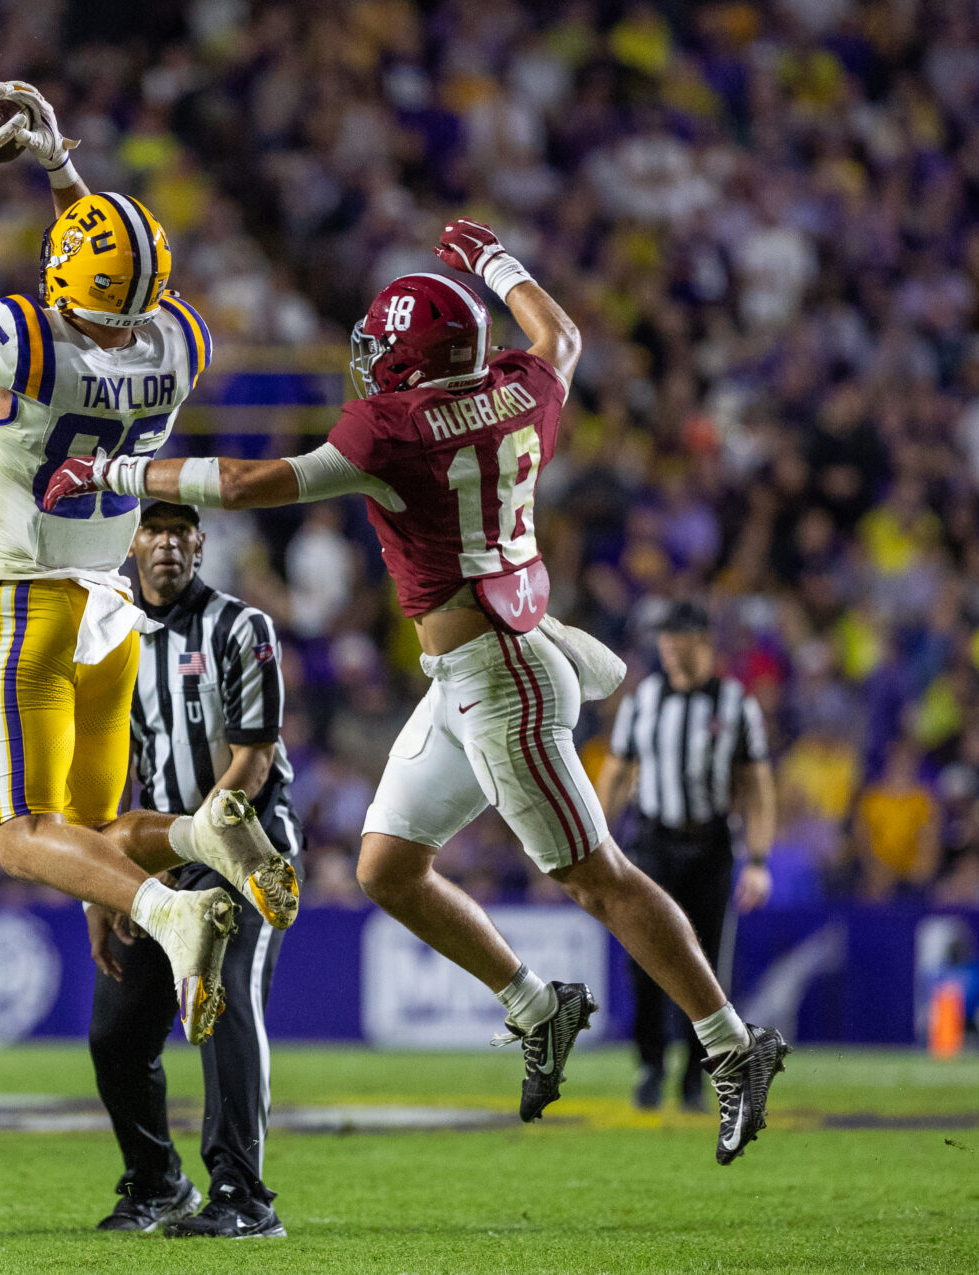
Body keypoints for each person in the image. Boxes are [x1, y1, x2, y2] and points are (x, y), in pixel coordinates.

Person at [45, 218, 790, 1165]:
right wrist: (496, 263)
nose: (370, 364)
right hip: (471, 666)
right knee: (387, 866)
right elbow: (559, 337)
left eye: (384, 351)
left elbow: (251, 479)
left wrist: (111, 473)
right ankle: (536, 1004)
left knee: (594, 877)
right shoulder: (520, 389)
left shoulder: (391, 430)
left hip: (504, 681)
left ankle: (732, 1045)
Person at [0, 79, 299, 1045]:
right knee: (94, 831)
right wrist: (60, 166)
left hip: (27, 605)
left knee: (19, 834)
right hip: (114, 613)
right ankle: (202, 837)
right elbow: (111, 268)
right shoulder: (181, 339)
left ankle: (175, 908)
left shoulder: (30, 346)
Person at [88, 502, 304, 1238]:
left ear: (202, 544)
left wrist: (196, 849)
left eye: (182, 531)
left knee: (221, 999)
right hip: (157, 855)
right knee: (116, 1031)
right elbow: (107, 769)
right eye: (153, 529)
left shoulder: (243, 628)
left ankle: (243, 1194)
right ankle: (157, 1179)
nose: (168, 544)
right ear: (131, 540)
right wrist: (101, 883)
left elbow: (253, 760)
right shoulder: (109, 633)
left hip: (249, 851)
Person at [596, 599, 775, 1111]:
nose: (668, 650)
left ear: (704, 641)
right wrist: (595, 839)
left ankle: (699, 1077)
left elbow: (758, 785)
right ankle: (650, 1065)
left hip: (712, 843)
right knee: (644, 956)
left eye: (678, 640)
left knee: (708, 963)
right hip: (651, 842)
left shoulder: (737, 704)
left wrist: (759, 861)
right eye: (664, 641)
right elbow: (615, 772)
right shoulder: (643, 701)